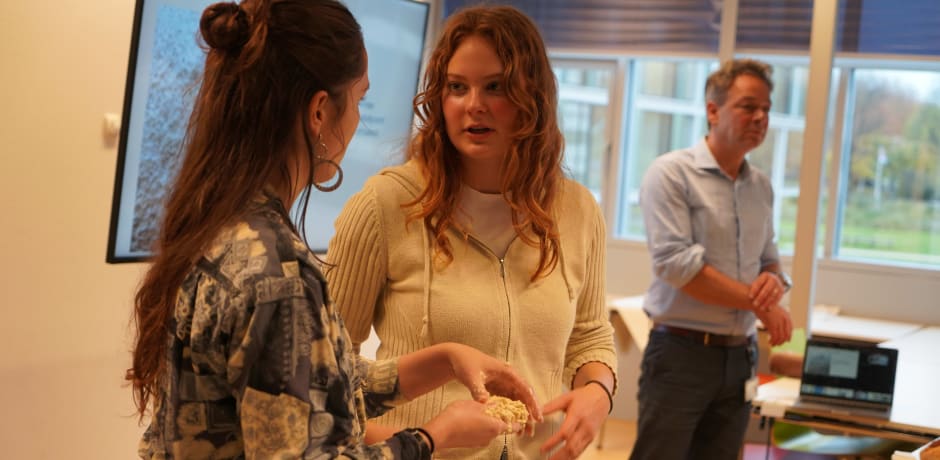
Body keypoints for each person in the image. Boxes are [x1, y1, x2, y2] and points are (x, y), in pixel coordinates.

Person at [125, 1, 542, 458]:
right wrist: (433, 437)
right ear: (320, 111)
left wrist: (443, 360)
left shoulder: (220, 226)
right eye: (360, 100)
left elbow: (304, 388)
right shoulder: (278, 274)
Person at [325, 5, 617, 459]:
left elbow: (590, 335)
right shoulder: (387, 203)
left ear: (532, 97)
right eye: (457, 87)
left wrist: (597, 391)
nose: (474, 104)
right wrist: (420, 439)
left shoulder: (576, 210)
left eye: (495, 87)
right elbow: (325, 370)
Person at [629, 58, 794, 460]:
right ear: (712, 110)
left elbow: (770, 259)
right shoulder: (670, 174)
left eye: (767, 110)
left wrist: (773, 282)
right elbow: (678, 266)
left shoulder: (761, 187)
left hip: (741, 357)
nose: (760, 117)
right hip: (681, 355)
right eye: (748, 106)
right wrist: (762, 305)